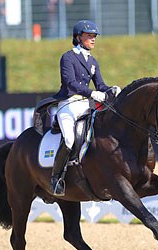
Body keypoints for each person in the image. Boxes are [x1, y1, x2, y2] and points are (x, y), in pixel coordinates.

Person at [51, 19, 121, 196]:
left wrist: (111, 89)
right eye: (89, 36)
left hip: (86, 105)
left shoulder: (93, 61)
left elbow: (100, 85)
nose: (93, 39)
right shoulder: (68, 57)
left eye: (94, 36)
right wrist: (91, 93)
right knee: (69, 140)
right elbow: (70, 83)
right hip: (68, 104)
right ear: (78, 37)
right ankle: (56, 178)